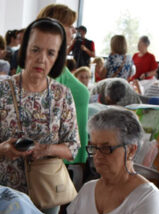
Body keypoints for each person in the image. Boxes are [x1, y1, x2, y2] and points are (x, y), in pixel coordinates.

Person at [0, 18, 80, 214]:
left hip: (44, 194)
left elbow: (73, 147)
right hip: (1, 193)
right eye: (35, 50)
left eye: (51, 53)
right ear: (24, 50)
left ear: (58, 57)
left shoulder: (62, 95)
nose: (41, 59)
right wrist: (2, 148)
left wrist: (45, 149)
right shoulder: (1, 91)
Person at [62, 107, 159, 214]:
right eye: (94, 147)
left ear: (131, 150)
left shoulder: (147, 197)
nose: (97, 156)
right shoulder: (88, 188)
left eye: (106, 148)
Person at [37, 3, 91, 162]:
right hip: (53, 159)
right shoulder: (43, 62)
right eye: (70, 26)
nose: (74, 31)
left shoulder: (58, 61)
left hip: (65, 155)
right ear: (56, 27)